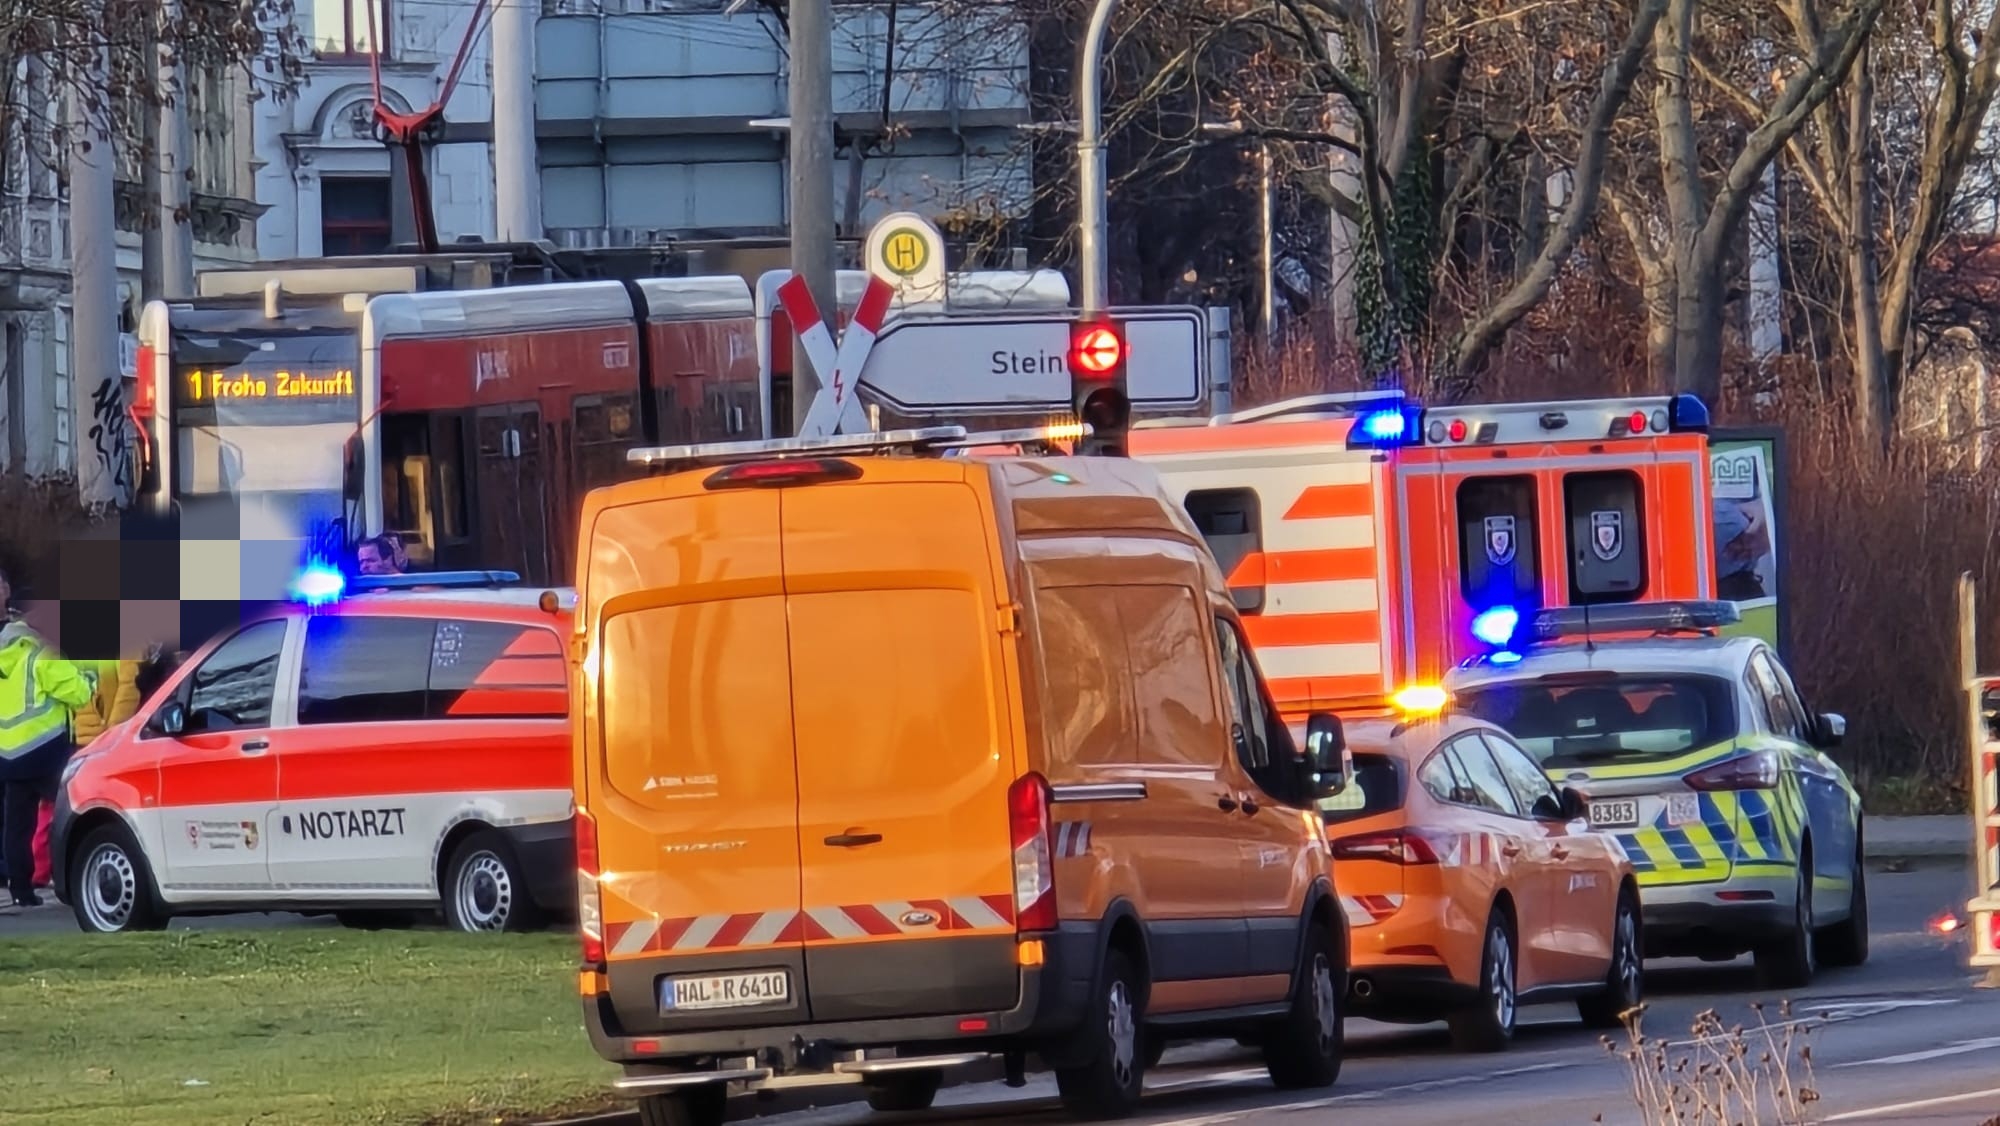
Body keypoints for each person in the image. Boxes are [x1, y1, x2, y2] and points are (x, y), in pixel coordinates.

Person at [0, 566, 97, 908]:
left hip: (9, 754)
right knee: (72, 813)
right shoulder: (41, 652)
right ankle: (73, 878)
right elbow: (79, 693)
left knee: (17, 827)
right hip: (46, 750)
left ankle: (20, 889)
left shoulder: (5, 653)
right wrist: (89, 675)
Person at [38, 653, 143, 890]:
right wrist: (113, 734)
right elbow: (127, 689)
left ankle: (50, 869)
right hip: (96, 737)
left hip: (92, 736)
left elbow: (126, 688)